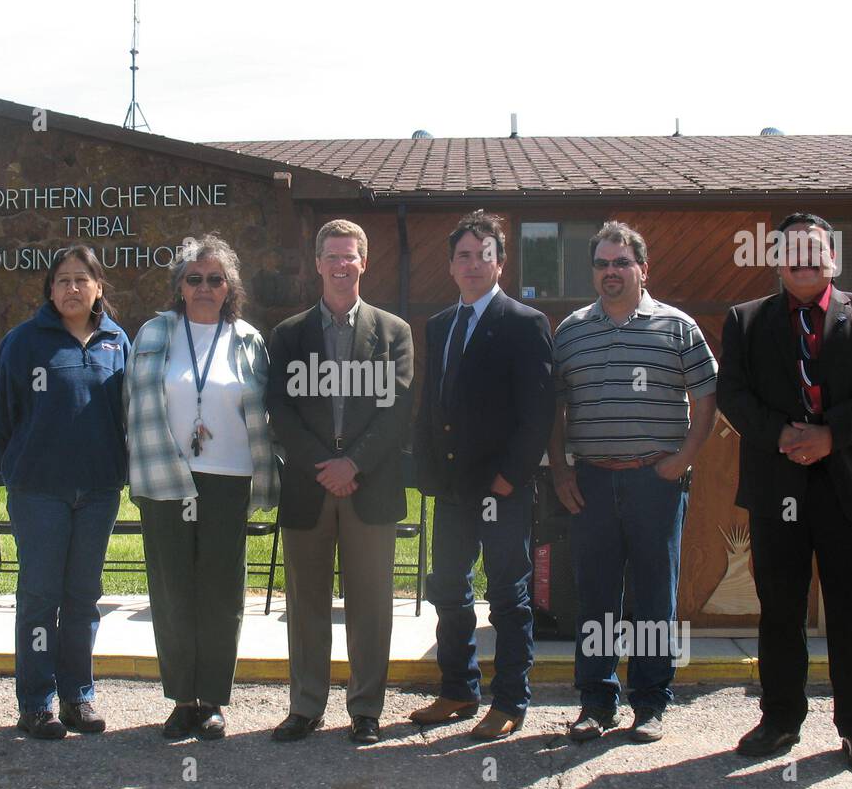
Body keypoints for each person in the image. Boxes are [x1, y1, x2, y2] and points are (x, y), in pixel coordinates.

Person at [716, 212, 852, 774]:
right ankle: (780, 719)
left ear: (833, 259)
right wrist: (783, 435)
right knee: (780, 610)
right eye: (791, 249)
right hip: (780, 485)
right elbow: (733, 393)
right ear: (777, 260)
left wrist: (829, 436)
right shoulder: (745, 320)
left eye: (814, 249)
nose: (802, 257)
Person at [551, 221, 717, 743]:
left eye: (621, 263)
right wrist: (558, 470)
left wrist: (683, 459)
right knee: (595, 596)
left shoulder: (677, 327)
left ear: (643, 269)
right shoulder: (572, 330)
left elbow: (707, 398)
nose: (611, 272)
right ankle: (596, 702)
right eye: (602, 264)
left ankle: (651, 702)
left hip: (655, 482)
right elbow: (554, 408)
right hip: (593, 483)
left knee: (653, 596)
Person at [266, 220, 413, 745]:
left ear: (363, 263)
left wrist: (353, 464)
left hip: (368, 488)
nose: (340, 265)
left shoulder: (393, 331)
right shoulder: (287, 335)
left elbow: (396, 411)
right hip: (309, 487)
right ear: (318, 263)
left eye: (349, 256)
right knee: (305, 603)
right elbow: (279, 411)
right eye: (331, 256)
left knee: (371, 602)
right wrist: (322, 466)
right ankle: (305, 705)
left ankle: (366, 709)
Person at [126, 234, 277, 740]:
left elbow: (266, 411)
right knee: (171, 591)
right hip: (166, 476)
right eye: (195, 279)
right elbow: (133, 403)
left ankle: (212, 699)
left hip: (228, 476)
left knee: (221, 591)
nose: (205, 287)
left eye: (216, 279)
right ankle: (180, 698)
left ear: (230, 286)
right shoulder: (154, 333)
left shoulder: (248, 339)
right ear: (180, 286)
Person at [410, 211, 555, 740]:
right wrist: (426, 471)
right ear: (451, 266)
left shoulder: (524, 322)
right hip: (450, 489)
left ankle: (510, 700)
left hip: (501, 490)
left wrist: (508, 479)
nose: (474, 263)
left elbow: (538, 413)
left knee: (508, 596)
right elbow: (432, 403)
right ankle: (457, 689)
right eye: (464, 255)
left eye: (483, 254)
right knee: (448, 589)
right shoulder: (439, 325)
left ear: (500, 262)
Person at [0, 246, 129, 739]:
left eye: (81, 279)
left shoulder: (117, 343)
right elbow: (0, 420)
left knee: (84, 596)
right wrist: (19, 472)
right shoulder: (24, 343)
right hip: (39, 492)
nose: (72, 288)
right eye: (62, 280)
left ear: (98, 287)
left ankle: (77, 697)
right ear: (49, 289)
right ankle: (36, 702)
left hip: (98, 490)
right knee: (42, 597)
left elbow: (126, 416)